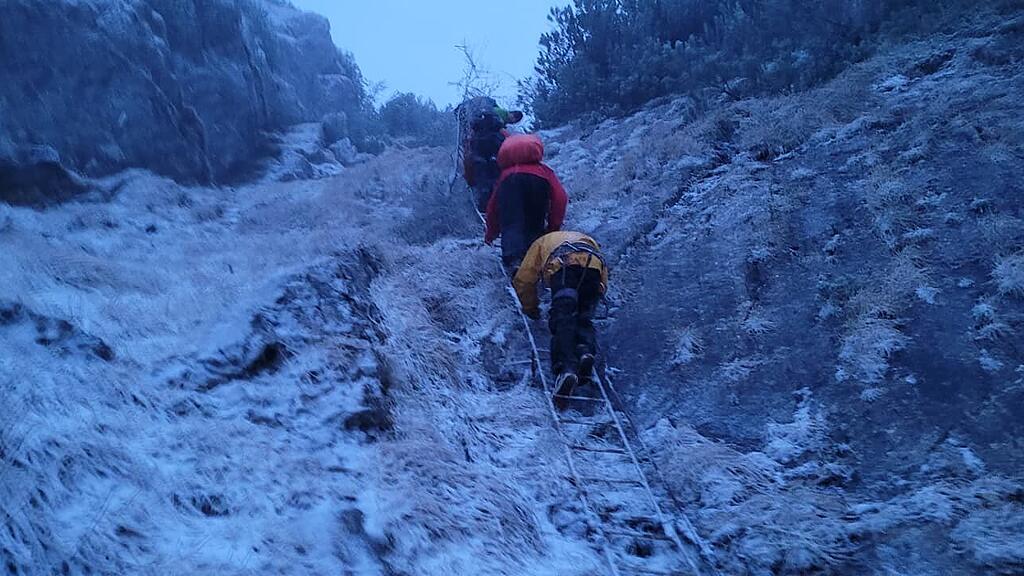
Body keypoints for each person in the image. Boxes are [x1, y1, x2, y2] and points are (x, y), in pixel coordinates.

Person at [512, 231, 608, 401]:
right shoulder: (585, 237)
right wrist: (597, 293)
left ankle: (566, 368)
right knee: (583, 317)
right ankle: (585, 351)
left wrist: (531, 308)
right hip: (593, 268)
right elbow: (603, 270)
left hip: (564, 267)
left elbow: (524, 279)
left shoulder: (540, 243)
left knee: (563, 315)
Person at [484, 134, 568, 266]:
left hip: (510, 186)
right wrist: (554, 227)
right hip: (538, 188)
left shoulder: (505, 175)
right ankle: (533, 261)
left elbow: (493, 207)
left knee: (511, 223)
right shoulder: (545, 172)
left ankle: (514, 262)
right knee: (534, 225)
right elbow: (560, 198)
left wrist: (490, 234)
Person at [455, 97, 523, 210]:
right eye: (513, 119)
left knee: (482, 179)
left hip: (480, 159)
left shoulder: (477, 133)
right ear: (512, 114)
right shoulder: (500, 118)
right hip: (489, 159)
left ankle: (483, 203)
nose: (512, 122)